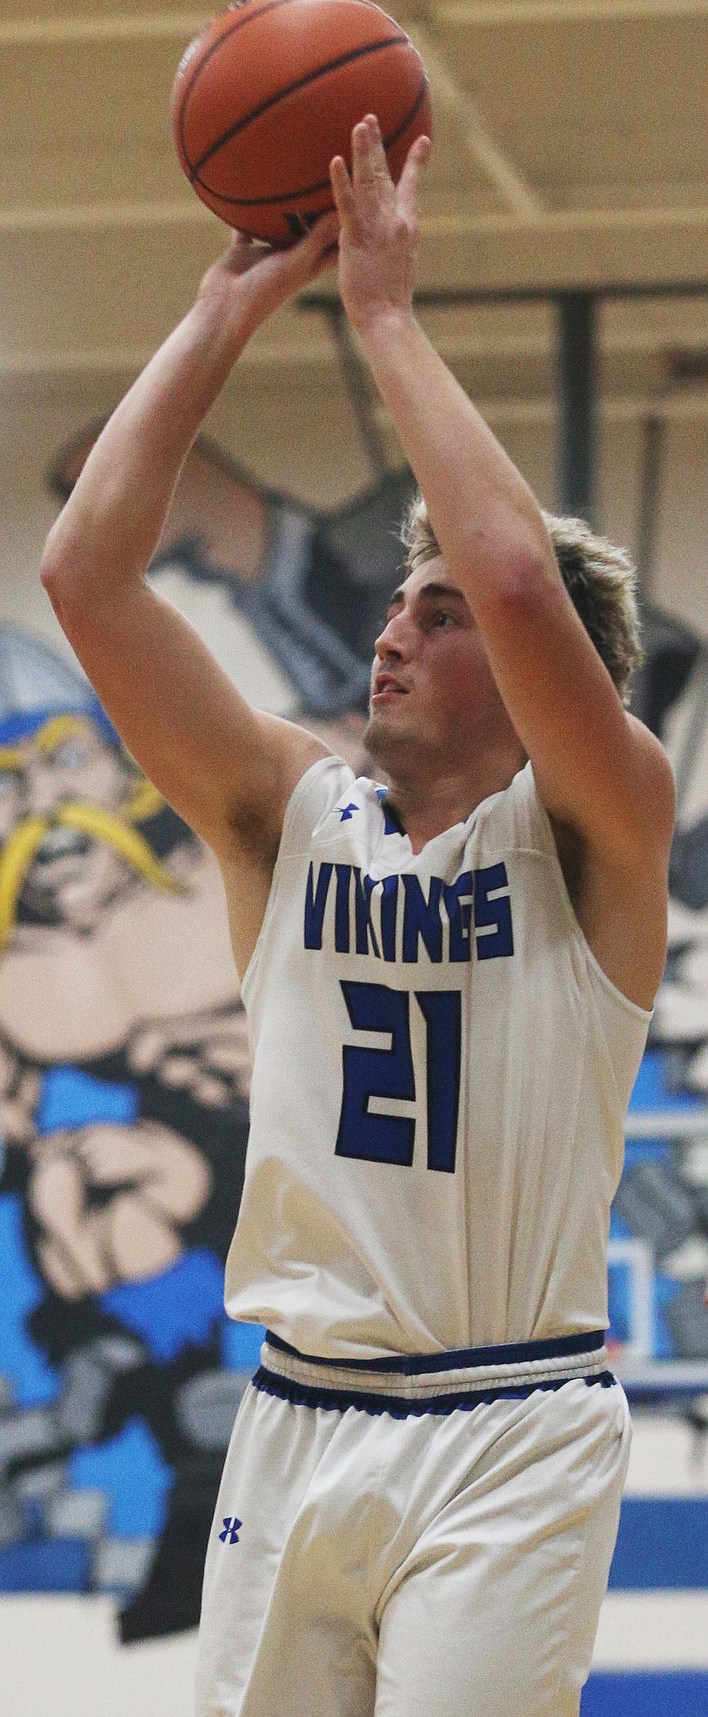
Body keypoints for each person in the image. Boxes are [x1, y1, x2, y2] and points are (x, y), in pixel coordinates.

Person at [41, 116, 675, 1715]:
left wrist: (386, 318)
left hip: (510, 1425)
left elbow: (530, 592)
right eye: (397, 604)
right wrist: (225, 309)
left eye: (434, 613)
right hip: (300, 1409)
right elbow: (88, 577)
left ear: (538, 693)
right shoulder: (285, 812)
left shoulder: (602, 825)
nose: (393, 631)